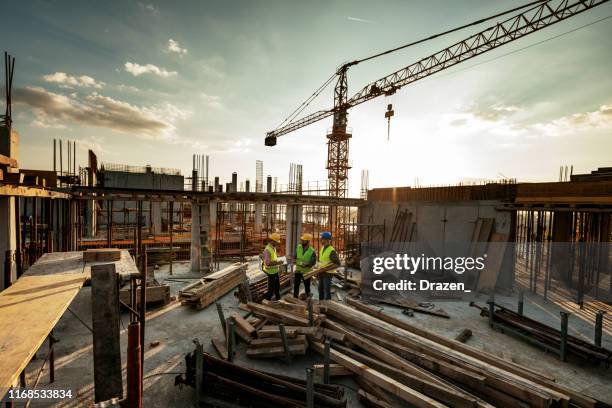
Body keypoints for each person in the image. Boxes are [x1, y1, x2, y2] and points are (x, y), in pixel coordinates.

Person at [318, 231, 340, 300]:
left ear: (326, 240)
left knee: (326, 290)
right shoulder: (322, 248)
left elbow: (337, 264)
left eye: (321, 238)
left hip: (327, 273)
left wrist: (325, 269)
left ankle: (328, 306)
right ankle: (320, 304)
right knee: (320, 289)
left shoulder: (331, 250)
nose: (320, 240)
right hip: (321, 272)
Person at [293, 233, 316, 298]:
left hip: (306, 272)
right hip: (298, 270)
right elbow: (294, 258)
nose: (302, 241)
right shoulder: (298, 247)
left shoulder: (312, 251)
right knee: (296, 285)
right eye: (302, 240)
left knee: (307, 286)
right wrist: (297, 262)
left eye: (304, 240)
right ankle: (295, 298)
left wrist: (307, 264)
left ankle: (308, 299)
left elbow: (313, 262)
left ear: (308, 241)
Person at [262, 232, 283, 300]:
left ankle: (278, 299)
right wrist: (278, 263)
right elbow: (268, 263)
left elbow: (273, 259)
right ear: (272, 241)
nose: (277, 243)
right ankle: (267, 301)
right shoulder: (267, 250)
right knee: (271, 289)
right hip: (271, 272)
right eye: (276, 242)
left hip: (275, 271)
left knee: (277, 287)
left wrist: (277, 263)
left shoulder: (273, 248)